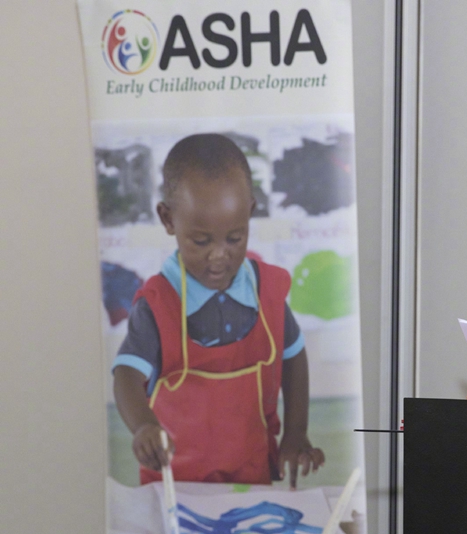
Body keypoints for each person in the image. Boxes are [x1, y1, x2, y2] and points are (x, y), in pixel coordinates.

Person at [113, 133, 325, 488]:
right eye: (201, 241)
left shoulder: (267, 292)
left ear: (250, 213)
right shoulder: (158, 305)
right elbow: (126, 375)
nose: (219, 255)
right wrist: (144, 426)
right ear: (168, 219)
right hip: (175, 485)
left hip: (251, 477)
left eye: (235, 238)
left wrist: (295, 432)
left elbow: (293, 356)